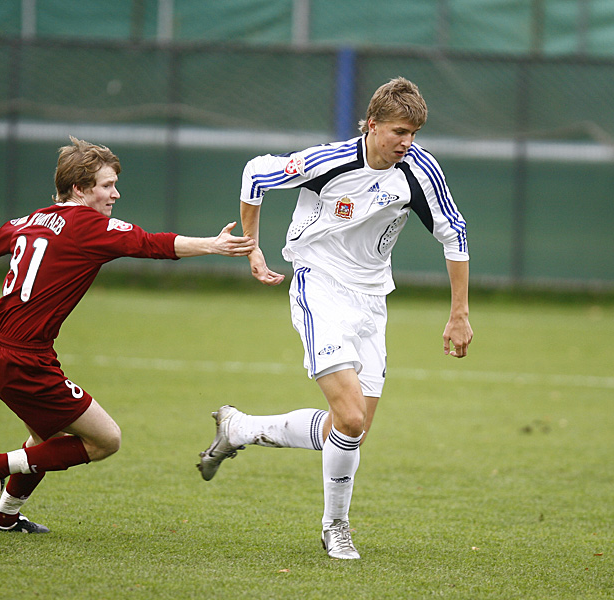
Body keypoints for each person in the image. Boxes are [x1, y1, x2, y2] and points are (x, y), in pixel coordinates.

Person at [197, 77, 473, 559]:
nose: (407, 143)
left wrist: (459, 313)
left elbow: (455, 234)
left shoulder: (420, 170)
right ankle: (336, 527)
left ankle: (239, 429)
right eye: (399, 132)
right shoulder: (329, 161)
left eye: (414, 134)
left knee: (351, 430)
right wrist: (252, 247)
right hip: (319, 284)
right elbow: (256, 175)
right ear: (372, 125)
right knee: (349, 416)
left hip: (372, 300)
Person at [0, 136, 255, 533]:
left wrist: (23, 227)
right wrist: (214, 245)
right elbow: (151, 244)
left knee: (45, 438)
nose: (115, 194)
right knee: (105, 440)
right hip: (25, 358)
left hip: (0, 348)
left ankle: (5, 517)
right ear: (80, 189)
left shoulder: (35, 219)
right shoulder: (88, 225)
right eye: (107, 185)